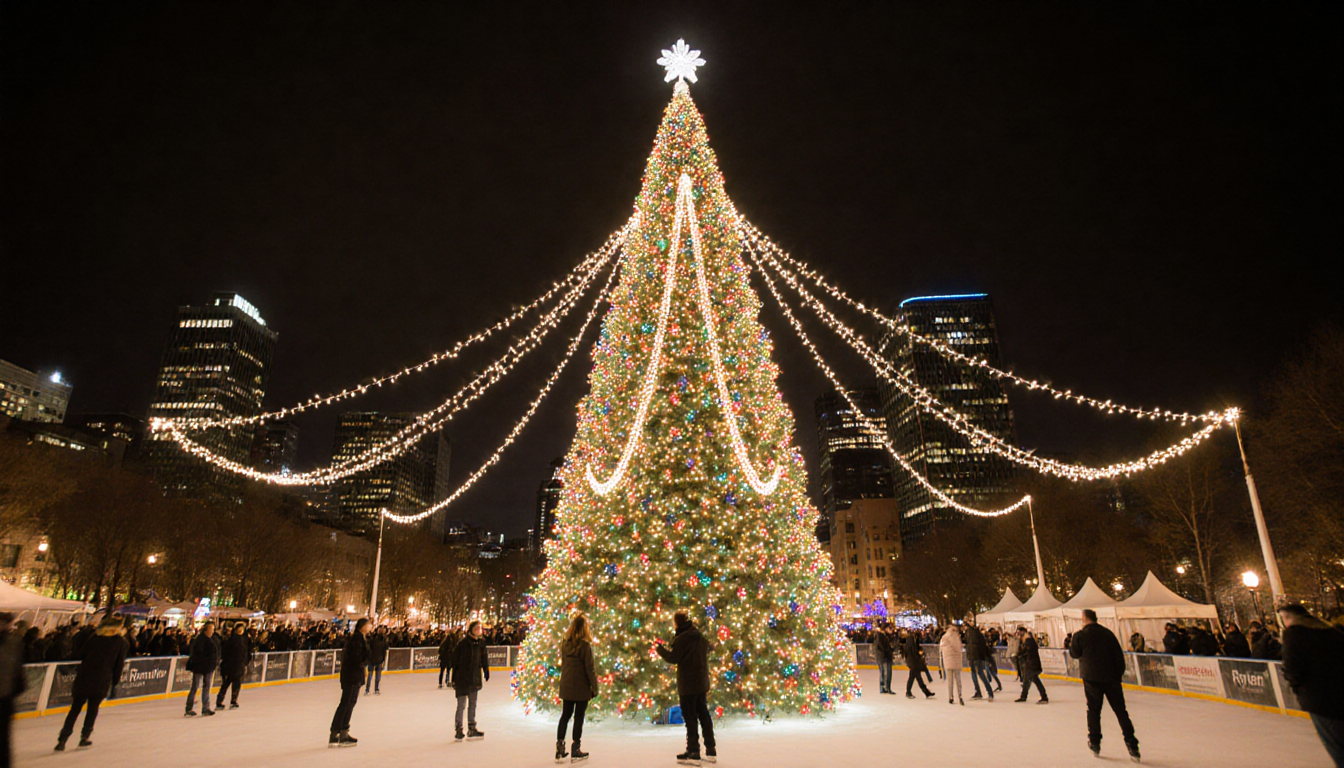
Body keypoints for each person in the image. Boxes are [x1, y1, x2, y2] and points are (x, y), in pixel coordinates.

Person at [1278, 603, 1344, 765]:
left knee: (1338, 747)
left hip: (1320, 701)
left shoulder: (1294, 634)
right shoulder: (1331, 631)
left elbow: (1293, 668)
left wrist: (1298, 689)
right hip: (1340, 694)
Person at [1070, 609, 1139, 761]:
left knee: (1094, 711)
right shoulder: (1108, 634)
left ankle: (1095, 742)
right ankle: (1132, 744)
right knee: (1121, 711)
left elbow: (1074, 653)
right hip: (1111, 678)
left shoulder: (1081, 635)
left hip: (1092, 679)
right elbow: (1118, 656)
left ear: (1084, 618)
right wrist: (1117, 675)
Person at [55, 616, 127, 751]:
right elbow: (119, 664)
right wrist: (115, 681)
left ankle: (63, 738)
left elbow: (80, 654)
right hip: (101, 678)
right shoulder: (119, 642)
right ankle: (85, 736)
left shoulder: (94, 638)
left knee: (75, 708)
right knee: (92, 709)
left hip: (85, 676)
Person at [656, 611, 716, 765]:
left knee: (690, 717)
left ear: (677, 623)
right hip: (701, 682)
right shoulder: (699, 636)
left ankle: (693, 751)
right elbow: (709, 648)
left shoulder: (682, 639)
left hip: (688, 684)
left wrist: (659, 649)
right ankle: (711, 749)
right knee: (703, 714)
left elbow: (673, 658)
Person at [556, 613, 598, 762]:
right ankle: (576, 748)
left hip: (567, 685)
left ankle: (560, 749)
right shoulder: (585, 646)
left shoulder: (565, 643)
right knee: (578, 717)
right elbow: (589, 668)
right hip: (581, 687)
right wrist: (595, 687)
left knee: (565, 716)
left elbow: (564, 663)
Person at [330, 617, 371, 747]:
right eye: (368, 625)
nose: (370, 627)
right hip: (352, 676)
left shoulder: (359, 639)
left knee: (347, 703)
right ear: (362, 626)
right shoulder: (357, 640)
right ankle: (341, 732)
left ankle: (338, 732)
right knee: (348, 703)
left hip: (352, 675)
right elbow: (357, 658)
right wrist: (362, 664)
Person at [450, 620, 491, 741]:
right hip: (462, 679)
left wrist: (486, 670)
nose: (479, 630)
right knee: (461, 705)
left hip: (475, 678)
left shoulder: (481, 644)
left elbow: (484, 658)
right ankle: (459, 729)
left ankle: (472, 728)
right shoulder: (463, 643)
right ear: (471, 630)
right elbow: (455, 661)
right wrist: (454, 679)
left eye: (480, 628)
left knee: (472, 704)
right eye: (476, 628)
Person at [0, 613, 28, 763]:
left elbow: (18, 671)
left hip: (4, 700)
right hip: (5, 697)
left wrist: (15, 690)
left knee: (3, 741)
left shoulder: (14, 643)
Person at [184, 621, 219, 717]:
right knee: (196, 686)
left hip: (207, 667)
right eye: (211, 629)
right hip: (201, 667)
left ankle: (205, 708)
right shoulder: (200, 640)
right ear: (206, 630)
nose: (212, 631)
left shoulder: (211, 639)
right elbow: (198, 654)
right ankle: (189, 707)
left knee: (205, 687)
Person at [216, 623, 252, 710]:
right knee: (226, 684)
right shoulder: (231, 640)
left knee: (236, 684)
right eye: (239, 629)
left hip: (239, 666)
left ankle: (233, 700)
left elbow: (247, 653)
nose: (240, 631)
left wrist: (245, 663)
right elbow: (225, 653)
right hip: (230, 666)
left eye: (242, 630)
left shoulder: (245, 640)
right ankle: (220, 700)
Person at [1013, 627, 1048, 704]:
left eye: (1020, 633)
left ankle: (1044, 697)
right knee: (1026, 680)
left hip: (1032, 664)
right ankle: (1023, 696)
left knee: (1035, 680)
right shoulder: (1027, 641)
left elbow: (1026, 651)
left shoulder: (1029, 641)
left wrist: (1019, 653)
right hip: (1030, 663)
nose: (1019, 635)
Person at [963, 623, 996, 701]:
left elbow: (973, 646)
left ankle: (981, 692)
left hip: (974, 657)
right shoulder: (978, 635)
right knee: (979, 674)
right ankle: (986, 692)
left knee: (978, 674)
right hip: (976, 657)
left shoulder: (971, 635)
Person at [900, 629, 935, 699]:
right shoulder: (911, 640)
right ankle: (908, 692)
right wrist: (919, 655)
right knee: (913, 677)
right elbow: (913, 651)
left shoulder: (912, 640)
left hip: (914, 662)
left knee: (917, 678)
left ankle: (926, 692)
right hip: (913, 662)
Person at [939, 625, 965, 705]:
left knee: (949, 680)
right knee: (958, 679)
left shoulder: (944, 637)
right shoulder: (956, 637)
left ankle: (950, 697)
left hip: (947, 661)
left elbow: (941, 648)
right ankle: (960, 695)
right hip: (956, 661)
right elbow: (959, 648)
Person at [365, 626, 388, 695]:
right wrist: (384, 661)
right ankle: (376, 689)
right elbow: (385, 652)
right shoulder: (384, 641)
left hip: (371, 660)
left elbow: (368, 649)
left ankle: (367, 690)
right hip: (379, 660)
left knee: (370, 674)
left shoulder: (372, 640)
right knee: (377, 675)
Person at [874, 625, 895, 694]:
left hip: (886, 657)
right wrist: (888, 650)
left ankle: (885, 687)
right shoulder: (880, 636)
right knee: (885, 673)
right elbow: (882, 648)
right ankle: (885, 688)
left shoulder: (887, 636)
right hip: (884, 658)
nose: (891, 630)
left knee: (885, 673)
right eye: (890, 628)